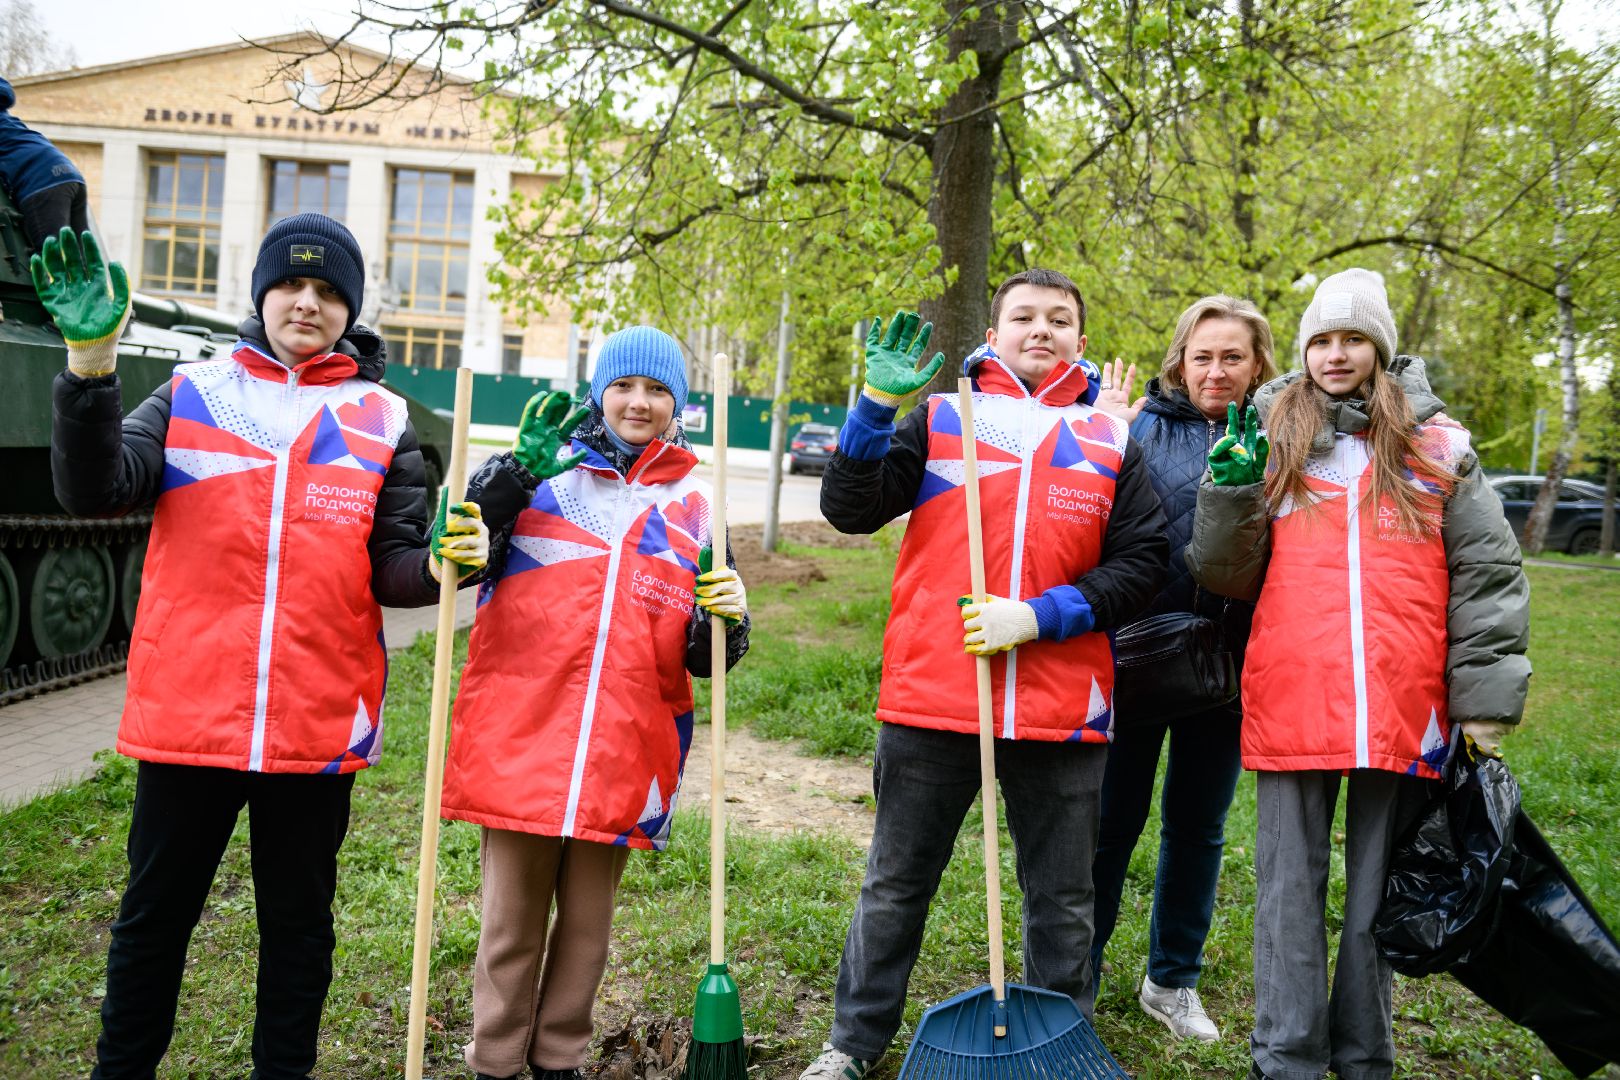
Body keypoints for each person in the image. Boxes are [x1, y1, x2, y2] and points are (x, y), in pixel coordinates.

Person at [40, 213, 489, 1080]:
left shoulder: (383, 418)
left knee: (297, 929)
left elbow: (394, 569)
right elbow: (94, 488)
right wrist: (90, 368)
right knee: (153, 921)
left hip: (316, 725)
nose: (307, 302)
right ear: (263, 294)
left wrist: (444, 562)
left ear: (349, 309)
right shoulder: (192, 393)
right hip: (189, 717)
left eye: (327, 290)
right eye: (291, 283)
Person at [801, 269, 1169, 1080]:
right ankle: (852, 1044)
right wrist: (872, 408)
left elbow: (1144, 564)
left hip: (1063, 707)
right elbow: (849, 509)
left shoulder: (1110, 441)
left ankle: (1061, 1047)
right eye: (1024, 316)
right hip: (934, 696)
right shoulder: (943, 419)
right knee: (896, 884)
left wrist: (1039, 617)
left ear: (1080, 340)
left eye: (1059, 319)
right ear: (993, 334)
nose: (1042, 330)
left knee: (1063, 900)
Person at [1185, 269, 1530, 1080]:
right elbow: (1224, 574)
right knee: (1287, 891)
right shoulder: (1267, 432)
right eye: (1321, 340)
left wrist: (1482, 701)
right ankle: (1287, 1056)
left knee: (1377, 891)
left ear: (1381, 347)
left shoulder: (1438, 445)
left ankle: (1366, 1056)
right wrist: (1230, 493)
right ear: (1303, 349)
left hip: (1402, 701)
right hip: (1294, 692)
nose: (1335, 354)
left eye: (1353, 339)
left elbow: (1487, 574)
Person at [439, 326, 752, 1080]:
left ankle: (558, 1058)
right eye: (624, 386)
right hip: (523, 733)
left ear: (679, 404)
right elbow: (459, 562)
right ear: (597, 393)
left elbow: (707, 657)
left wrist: (729, 620)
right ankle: (495, 1059)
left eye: (657, 390)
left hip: (626, 743)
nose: (639, 402)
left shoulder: (697, 506)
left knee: (588, 925)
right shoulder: (542, 474)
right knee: (511, 921)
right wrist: (510, 477)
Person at [1087, 296, 1279, 1043]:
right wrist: (1098, 428)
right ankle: (1078, 973)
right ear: (1180, 360)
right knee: (1109, 825)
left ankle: (1171, 981)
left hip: (1226, 669)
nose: (1216, 371)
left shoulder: (1281, 438)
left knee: (1198, 828)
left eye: (1233, 357)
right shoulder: (1136, 426)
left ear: (1257, 364)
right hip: (1133, 658)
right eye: (1203, 356)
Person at [1, 76, 91, 250]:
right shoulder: (7, 119)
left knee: (51, 255)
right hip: (69, 174)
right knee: (84, 256)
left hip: (41, 182)